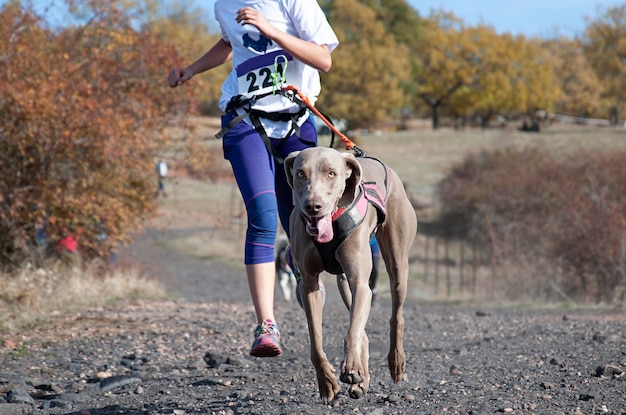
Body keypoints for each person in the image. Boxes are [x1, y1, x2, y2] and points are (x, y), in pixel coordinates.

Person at [168, 1, 339, 358]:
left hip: (294, 120)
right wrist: (191, 69)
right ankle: (267, 326)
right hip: (243, 118)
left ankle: (299, 264)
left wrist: (271, 29)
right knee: (262, 216)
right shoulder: (223, 4)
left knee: (304, 216)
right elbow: (231, 43)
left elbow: (323, 60)